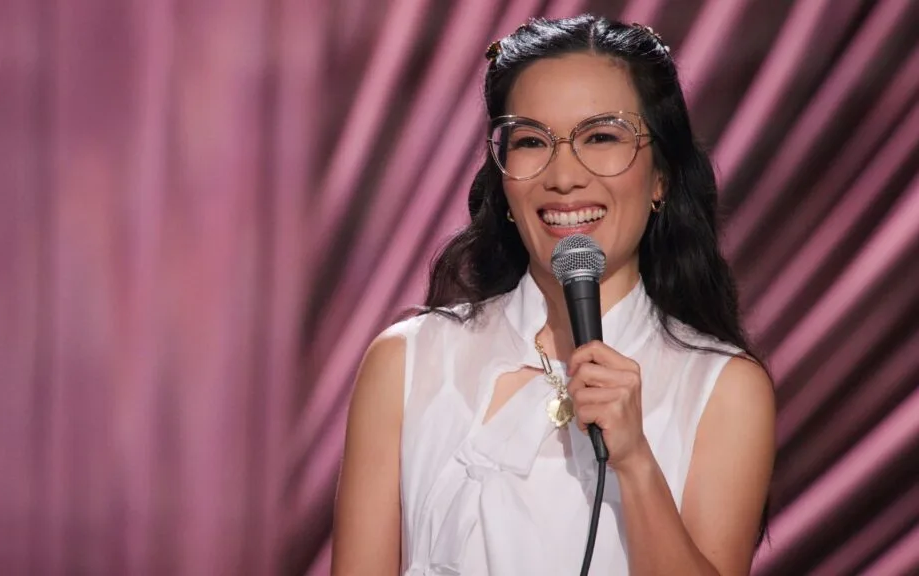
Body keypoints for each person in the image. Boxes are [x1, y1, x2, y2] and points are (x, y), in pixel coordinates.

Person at [331, 14, 775, 576]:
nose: (563, 177)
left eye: (601, 137)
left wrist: (636, 463)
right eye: (531, 141)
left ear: (661, 176)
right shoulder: (407, 361)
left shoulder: (722, 387)